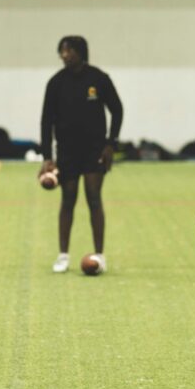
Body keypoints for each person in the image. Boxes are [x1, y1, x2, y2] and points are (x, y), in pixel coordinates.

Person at [40, 35, 123, 274]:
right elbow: (46, 121)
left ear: (81, 52)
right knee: (68, 199)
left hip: (95, 150)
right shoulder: (55, 83)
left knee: (94, 197)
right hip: (66, 151)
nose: (64, 55)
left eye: (69, 51)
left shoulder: (99, 79)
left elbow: (117, 110)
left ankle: (99, 254)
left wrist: (111, 144)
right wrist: (47, 156)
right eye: (62, 51)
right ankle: (63, 255)